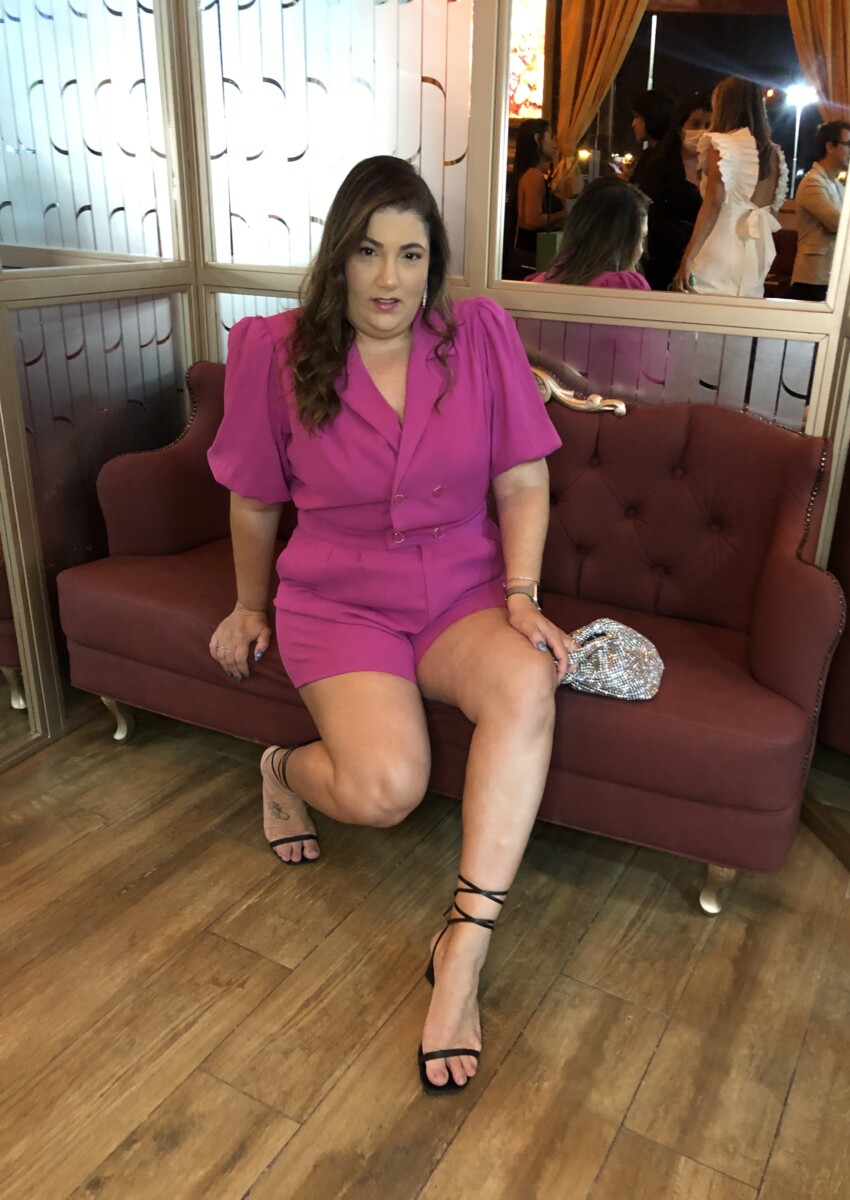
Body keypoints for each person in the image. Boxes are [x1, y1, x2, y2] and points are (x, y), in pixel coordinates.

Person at [207, 155, 574, 1097]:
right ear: (339, 256)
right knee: (385, 791)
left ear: (432, 263)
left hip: (460, 590)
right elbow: (254, 502)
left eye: (411, 255)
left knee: (529, 679)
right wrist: (249, 606)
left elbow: (522, 477)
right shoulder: (275, 352)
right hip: (341, 600)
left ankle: (464, 948)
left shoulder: (478, 335)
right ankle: (282, 770)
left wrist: (521, 595)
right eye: (368, 251)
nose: (388, 279)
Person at [672, 76, 787, 297]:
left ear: (724, 105)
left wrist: (688, 257)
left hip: (719, 249)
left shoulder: (722, 143)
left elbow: (713, 204)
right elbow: (773, 214)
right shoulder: (774, 154)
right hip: (754, 257)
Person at [639, 92, 712, 290]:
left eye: (708, 125)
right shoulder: (659, 165)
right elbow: (649, 212)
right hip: (664, 257)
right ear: (680, 128)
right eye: (695, 124)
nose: (702, 132)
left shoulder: (717, 169)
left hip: (705, 260)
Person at [526, 177, 650, 290]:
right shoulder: (623, 285)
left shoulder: (537, 282)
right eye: (641, 238)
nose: (642, 250)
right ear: (624, 242)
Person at [790, 120, 850, 301]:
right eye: (848, 144)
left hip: (831, 276)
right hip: (812, 278)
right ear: (830, 147)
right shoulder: (813, 182)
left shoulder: (837, 185)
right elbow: (836, 223)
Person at [509, 119, 566, 275]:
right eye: (550, 137)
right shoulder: (534, 176)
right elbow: (533, 220)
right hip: (533, 255)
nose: (555, 145)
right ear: (537, 138)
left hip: (527, 253)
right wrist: (564, 214)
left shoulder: (530, 174)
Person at [629, 89, 675, 192]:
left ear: (652, 116)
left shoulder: (654, 157)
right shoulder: (672, 152)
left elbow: (641, 195)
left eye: (637, 117)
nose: (633, 124)